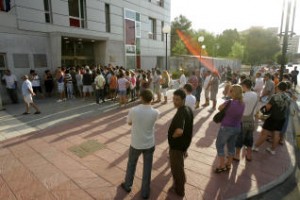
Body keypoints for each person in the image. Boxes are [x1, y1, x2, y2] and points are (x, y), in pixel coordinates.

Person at [121, 89, 160, 199]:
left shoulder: (134, 110)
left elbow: (129, 122)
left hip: (136, 143)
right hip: (149, 143)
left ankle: (128, 185)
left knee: (131, 164)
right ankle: (145, 192)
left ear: (141, 97)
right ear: (151, 99)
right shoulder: (156, 112)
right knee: (147, 168)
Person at [168, 89, 194, 197]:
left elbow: (179, 131)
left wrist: (173, 137)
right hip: (183, 144)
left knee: (176, 168)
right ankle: (181, 182)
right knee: (179, 165)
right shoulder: (188, 109)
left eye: (177, 99)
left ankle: (180, 190)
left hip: (177, 146)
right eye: (174, 99)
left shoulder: (181, 112)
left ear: (183, 100)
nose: (175, 101)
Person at [253, 82, 290, 155]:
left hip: (272, 118)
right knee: (276, 133)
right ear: (285, 89)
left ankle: (255, 147)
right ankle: (272, 150)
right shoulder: (288, 97)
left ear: (278, 87)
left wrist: (263, 113)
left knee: (264, 133)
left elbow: (268, 107)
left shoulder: (275, 96)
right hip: (282, 118)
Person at [215, 85, 245, 173]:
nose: (228, 91)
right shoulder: (242, 103)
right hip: (237, 127)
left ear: (233, 92)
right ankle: (229, 163)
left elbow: (219, 108)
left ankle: (222, 165)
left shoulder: (229, 102)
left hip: (226, 127)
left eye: (230, 90)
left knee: (219, 145)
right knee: (231, 146)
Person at [234, 79, 258, 161]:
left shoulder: (243, 96)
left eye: (242, 86)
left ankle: (237, 155)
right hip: (251, 119)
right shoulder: (255, 94)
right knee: (249, 138)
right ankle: (249, 155)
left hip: (243, 120)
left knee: (239, 138)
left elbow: (237, 108)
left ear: (244, 86)